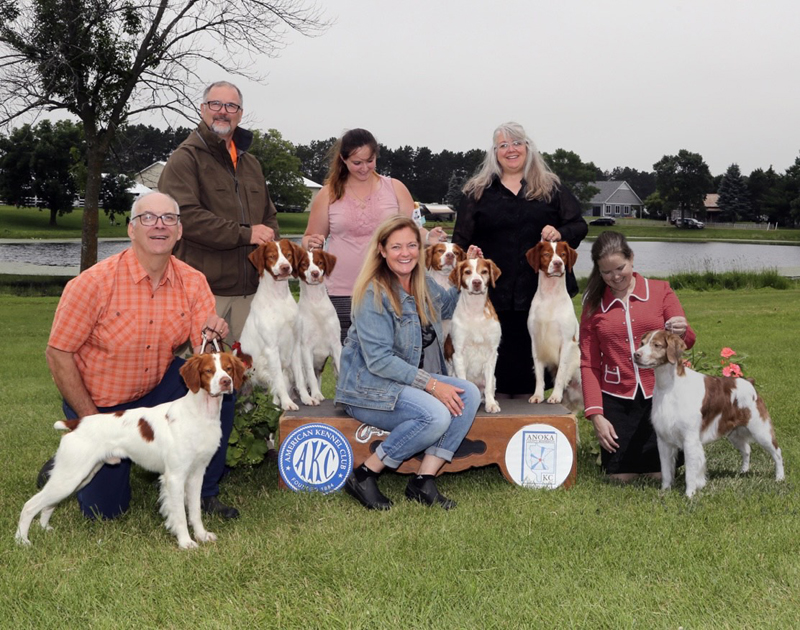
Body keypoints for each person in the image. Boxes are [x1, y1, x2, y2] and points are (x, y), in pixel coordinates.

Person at [41, 192, 240, 520]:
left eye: (169, 219)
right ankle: (73, 450)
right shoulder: (92, 283)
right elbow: (58, 353)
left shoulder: (193, 281)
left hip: (158, 388)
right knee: (104, 512)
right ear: (131, 230)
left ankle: (203, 493)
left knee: (221, 390)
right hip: (101, 401)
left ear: (179, 231)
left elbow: (205, 354)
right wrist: (93, 422)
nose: (159, 225)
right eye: (148, 217)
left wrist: (213, 338)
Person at [335, 215, 480, 510]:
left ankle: (422, 480)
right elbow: (379, 361)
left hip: (402, 383)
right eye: (397, 246)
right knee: (436, 415)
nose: (406, 253)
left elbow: (449, 305)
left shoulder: (421, 281)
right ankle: (365, 474)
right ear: (382, 250)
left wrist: (469, 268)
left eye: (412, 245)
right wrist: (432, 384)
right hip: (367, 387)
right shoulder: (373, 292)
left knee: (470, 394)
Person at [452, 122, 588, 397]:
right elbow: (460, 243)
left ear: (528, 148)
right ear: (494, 152)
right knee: (495, 373)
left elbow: (580, 226)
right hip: (492, 300)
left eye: (516, 143)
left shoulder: (551, 187)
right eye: (503, 145)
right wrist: (468, 254)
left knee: (535, 376)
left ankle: (537, 426)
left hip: (541, 299)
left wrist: (560, 232)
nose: (510, 149)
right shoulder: (476, 192)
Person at [158, 80, 280, 343]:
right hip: (207, 295)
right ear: (203, 109)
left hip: (254, 294)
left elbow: (269, 217)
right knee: (207, 377)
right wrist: (245, 234)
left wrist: (273, 257)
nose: (223, 111)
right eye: (216, 104)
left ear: (240, 113)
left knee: (247, 375)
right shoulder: (185, 158)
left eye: (231, 105)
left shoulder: (251, 163)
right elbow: (185, 218)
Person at [302, 128, 446, 343]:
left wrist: (429, 238)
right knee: (348, 358)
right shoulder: (328, 193)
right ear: (343, 159)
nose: (364, 168)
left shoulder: (395, 188)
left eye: (370, 161)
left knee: (390, 355)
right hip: (341, 291)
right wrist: (310, 242)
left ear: (376, 156)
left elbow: (414, 229)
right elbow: (309, 237)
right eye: (356, 163)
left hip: (390, 288)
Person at [579, 231, 696, 482]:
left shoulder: (661, 291)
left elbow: (687, 341)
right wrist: (596, 414)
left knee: (659, 474)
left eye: (620, 267)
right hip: (617, 397)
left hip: (662, 394)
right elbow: (589, 364)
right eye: (606, 272)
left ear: (632, 258)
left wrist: (683, 329)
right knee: (620, 478)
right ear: (598, 271)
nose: (615, 276)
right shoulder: (592, 304)